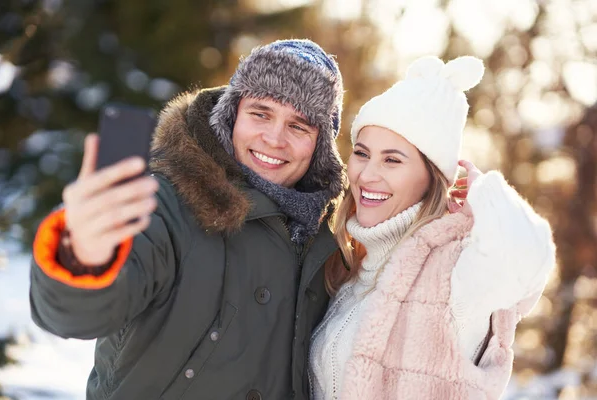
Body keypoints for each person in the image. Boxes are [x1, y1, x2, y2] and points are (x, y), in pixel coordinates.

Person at [30, 39, 345, 400]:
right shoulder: (164, 203)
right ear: (232, 114)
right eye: (260, 113)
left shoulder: (327, 240)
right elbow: (76, 316)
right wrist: (82, 255)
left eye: (299, 126)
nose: (274, 138)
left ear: (319, 146)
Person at [308, 55, 556, 399]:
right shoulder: (349, 265)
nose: (366, 174)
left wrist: (479, 189)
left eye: (392, 160)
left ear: (432, 175)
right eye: (362, 153)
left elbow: (530, 254)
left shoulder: (453, 273)